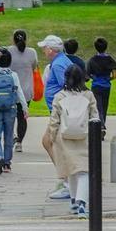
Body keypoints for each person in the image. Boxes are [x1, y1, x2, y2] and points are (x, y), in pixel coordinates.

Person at [48, 66, 99, 216]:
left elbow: (54, 120)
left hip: (64, 137)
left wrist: (52, 137)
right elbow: (95, 116)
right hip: (85, 136)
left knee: (70, 170)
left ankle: (73, 200)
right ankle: (82, 202)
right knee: (84, 171)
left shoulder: (60, 96)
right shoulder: (88, 95)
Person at [37, 35, 72, 199]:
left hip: (59, 112)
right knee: (50, 142)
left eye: (44, 48)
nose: (43, 51)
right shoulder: (62, 61)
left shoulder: (57, 65)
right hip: (59, 111)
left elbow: (66, 87)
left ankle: (66, 181)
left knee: (52, 143)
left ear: (50, 50)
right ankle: (65, 179)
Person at [0, 50, 28, 174]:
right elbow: (19, 92)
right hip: (10, 109)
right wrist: (24, 107)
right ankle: (7, 163)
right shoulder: (13, 74)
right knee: (8, 136)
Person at [2, 29, 40, 152]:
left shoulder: (8, 51)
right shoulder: (32, 52)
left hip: (10, 89)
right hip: (26, 90)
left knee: (9, 115)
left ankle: (11, 135)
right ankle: (19, 143)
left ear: (13, 39)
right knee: (22, 117)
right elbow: (34, 66)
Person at [86, 37, 116, 122]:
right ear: (106, 47)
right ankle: (103, 123)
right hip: (106, 86)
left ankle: (100, 126)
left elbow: (88, 74)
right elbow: (114, 75)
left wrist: (94, 78)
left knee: (98, 107)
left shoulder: (92, 60)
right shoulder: (109, 60)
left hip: (96, 86)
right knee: (105, 107)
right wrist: (108, 79)